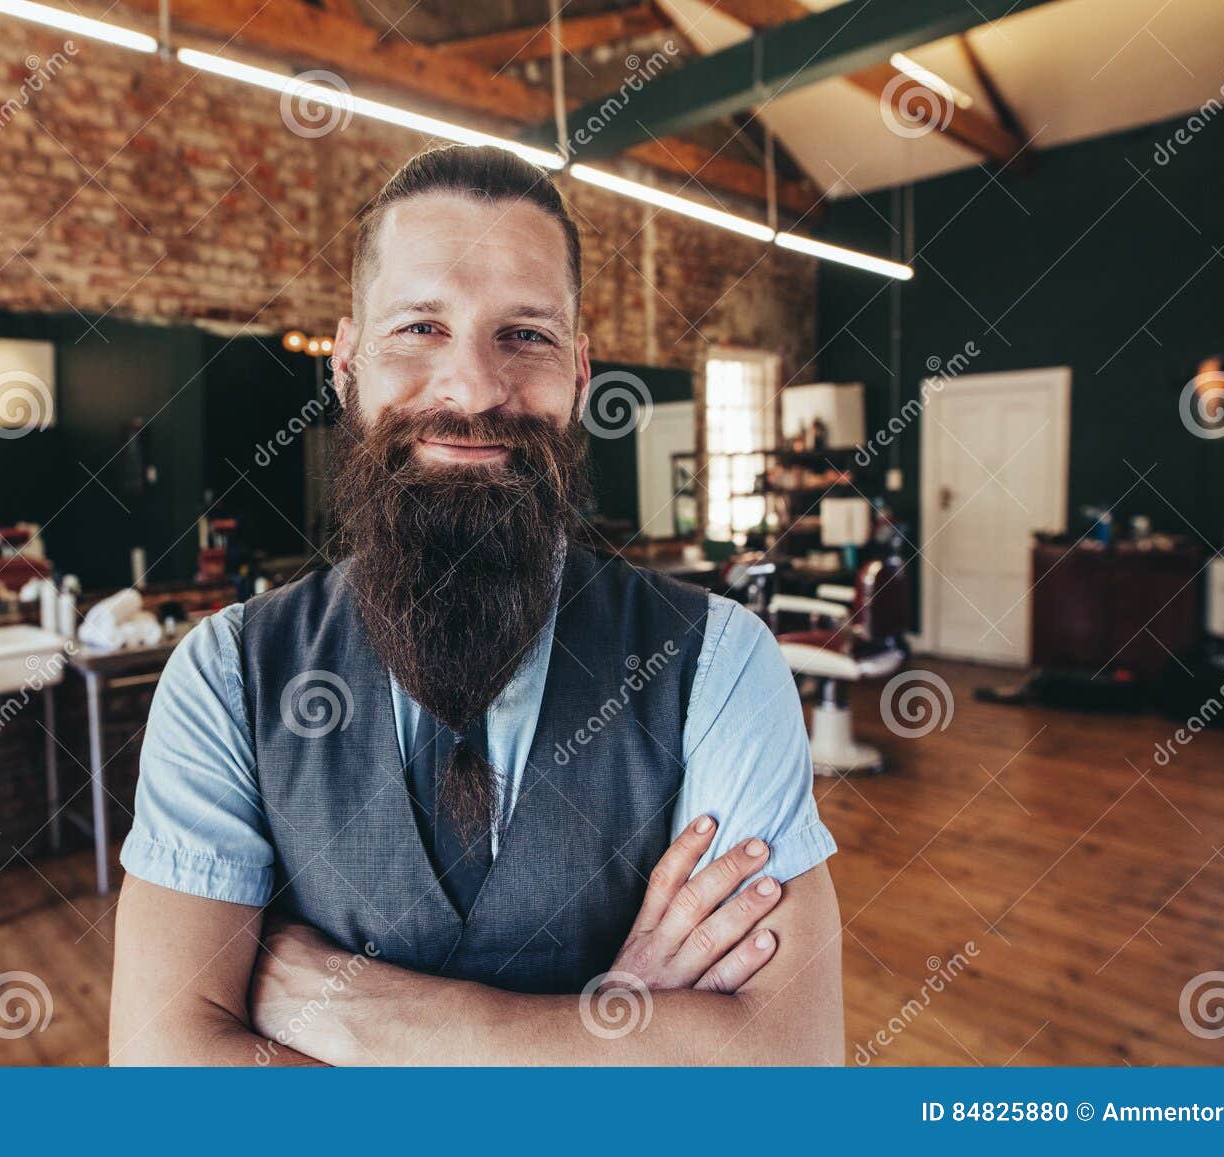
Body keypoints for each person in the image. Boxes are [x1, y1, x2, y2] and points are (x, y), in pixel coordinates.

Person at [109, 145, 842, 1065]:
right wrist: (613, 1036)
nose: (472, 388)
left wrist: (374, 1017)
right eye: (420, 326)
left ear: (579, 375)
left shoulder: (718, 662)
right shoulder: (225, 676)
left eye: (525, 334)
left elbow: (790, 1066)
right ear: (345, 364)